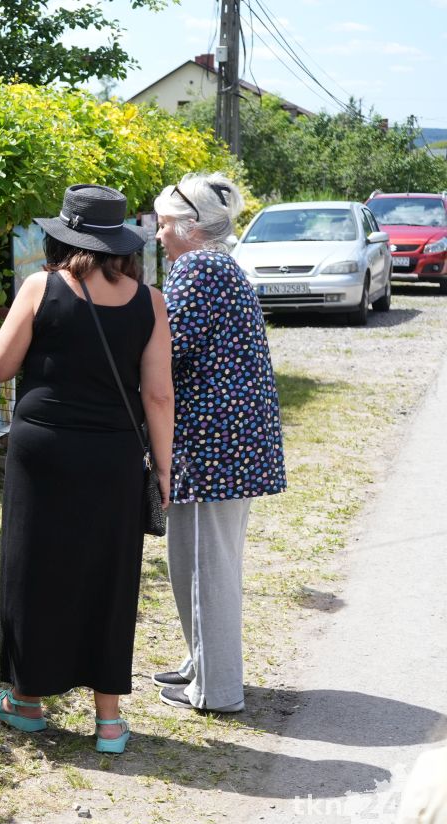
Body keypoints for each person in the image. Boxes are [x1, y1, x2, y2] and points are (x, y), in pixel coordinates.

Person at [0, 184, 174, 754]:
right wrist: (163, 471)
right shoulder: (150, 301)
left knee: (33, 565)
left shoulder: (41, 287)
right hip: (114, 455)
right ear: (123, 243)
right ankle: (109, 722)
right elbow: (158, 395)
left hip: (44, 450)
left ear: (62, 236)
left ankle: (27, 701)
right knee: (111, 574)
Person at [150, 172, 287, 713]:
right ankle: (202, 663)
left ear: (189, 227)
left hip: (214, 448)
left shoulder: (197, 269)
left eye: (163, 226)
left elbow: (166, 351)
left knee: (207, 567)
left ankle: (217, 690)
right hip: (230, 443)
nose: (159, 236)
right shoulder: (217, 265)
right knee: (199, 561)